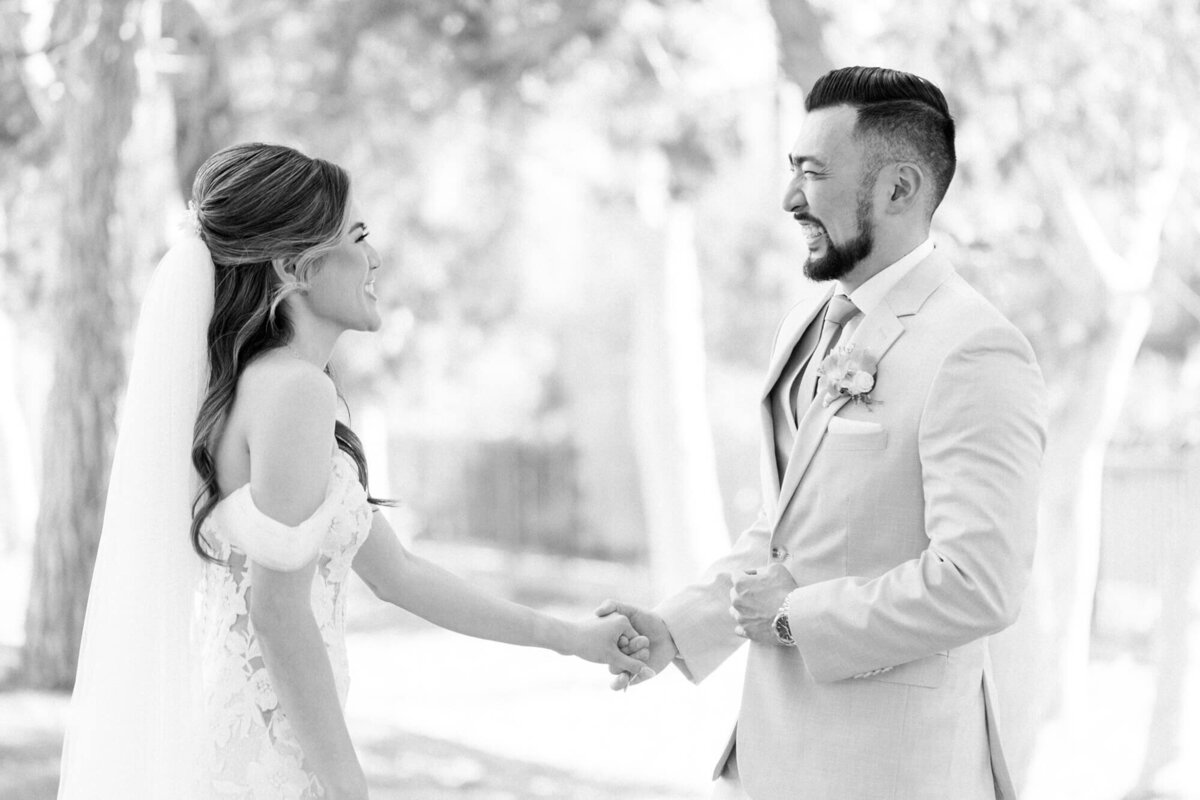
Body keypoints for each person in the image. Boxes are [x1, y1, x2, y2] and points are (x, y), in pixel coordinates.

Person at [57, 142, 652, 800]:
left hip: (262, 749)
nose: (374, 257)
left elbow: (398, 573)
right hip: (277, 764)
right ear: (295, 266)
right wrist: (346, 787)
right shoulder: (293, 394)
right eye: (358, 236)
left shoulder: (270, 389)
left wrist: (571, 639)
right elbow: (277, 612)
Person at [597, 66, 1047, 799]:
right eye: (791, 170)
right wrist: (676, 629)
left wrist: (791, 617)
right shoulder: (807, 325)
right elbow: (788, 532)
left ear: (899, 189)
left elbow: (978, 585)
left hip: (894, 772)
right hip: (778, 759)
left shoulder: (974, 350)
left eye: (813, 173)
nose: (789, 199)